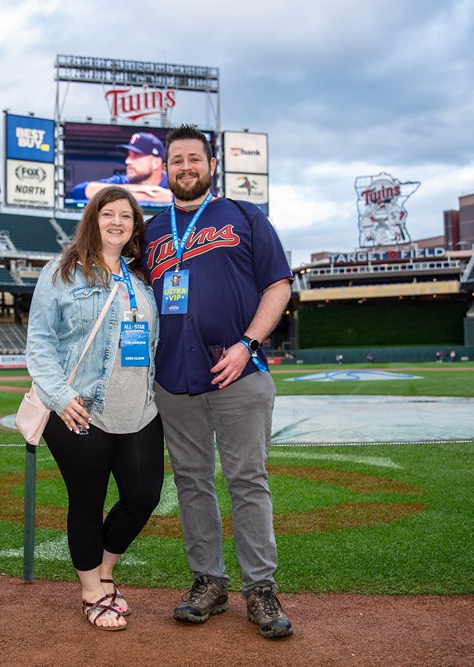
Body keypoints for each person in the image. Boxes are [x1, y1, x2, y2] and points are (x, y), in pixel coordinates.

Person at [141, 125, 294, 639]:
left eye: (194, 158)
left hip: (238, 372)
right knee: (191, 481)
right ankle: (209, 582)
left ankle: (261, 589)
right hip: (173, 379)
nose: (185, 167)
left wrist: (247, 343)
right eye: (176, 160)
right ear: (166, 169)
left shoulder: (246, 216)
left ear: (211, 166)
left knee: (247, 480)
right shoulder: (150, 231)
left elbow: (278, 285)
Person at [26, 186, 164, 632]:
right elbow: (40, 343)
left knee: (143, 496)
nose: (117, 222)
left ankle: (105, 572)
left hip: (139, 409)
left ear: (134, 225)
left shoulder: (141, 277)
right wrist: (60, 396)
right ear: (93, 219)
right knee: (87, 501)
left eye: (126, 215)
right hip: (79, 408)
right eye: (108, 214)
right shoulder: (62, 271)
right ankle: (92, 592)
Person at [70, 132, 172, 204]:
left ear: (156, 162)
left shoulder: (173, 184)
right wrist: (137, 189)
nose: (127, 161)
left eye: (136, 155)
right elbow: (79, 191)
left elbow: (180, 200)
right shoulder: (123, 181)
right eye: (129, 155)